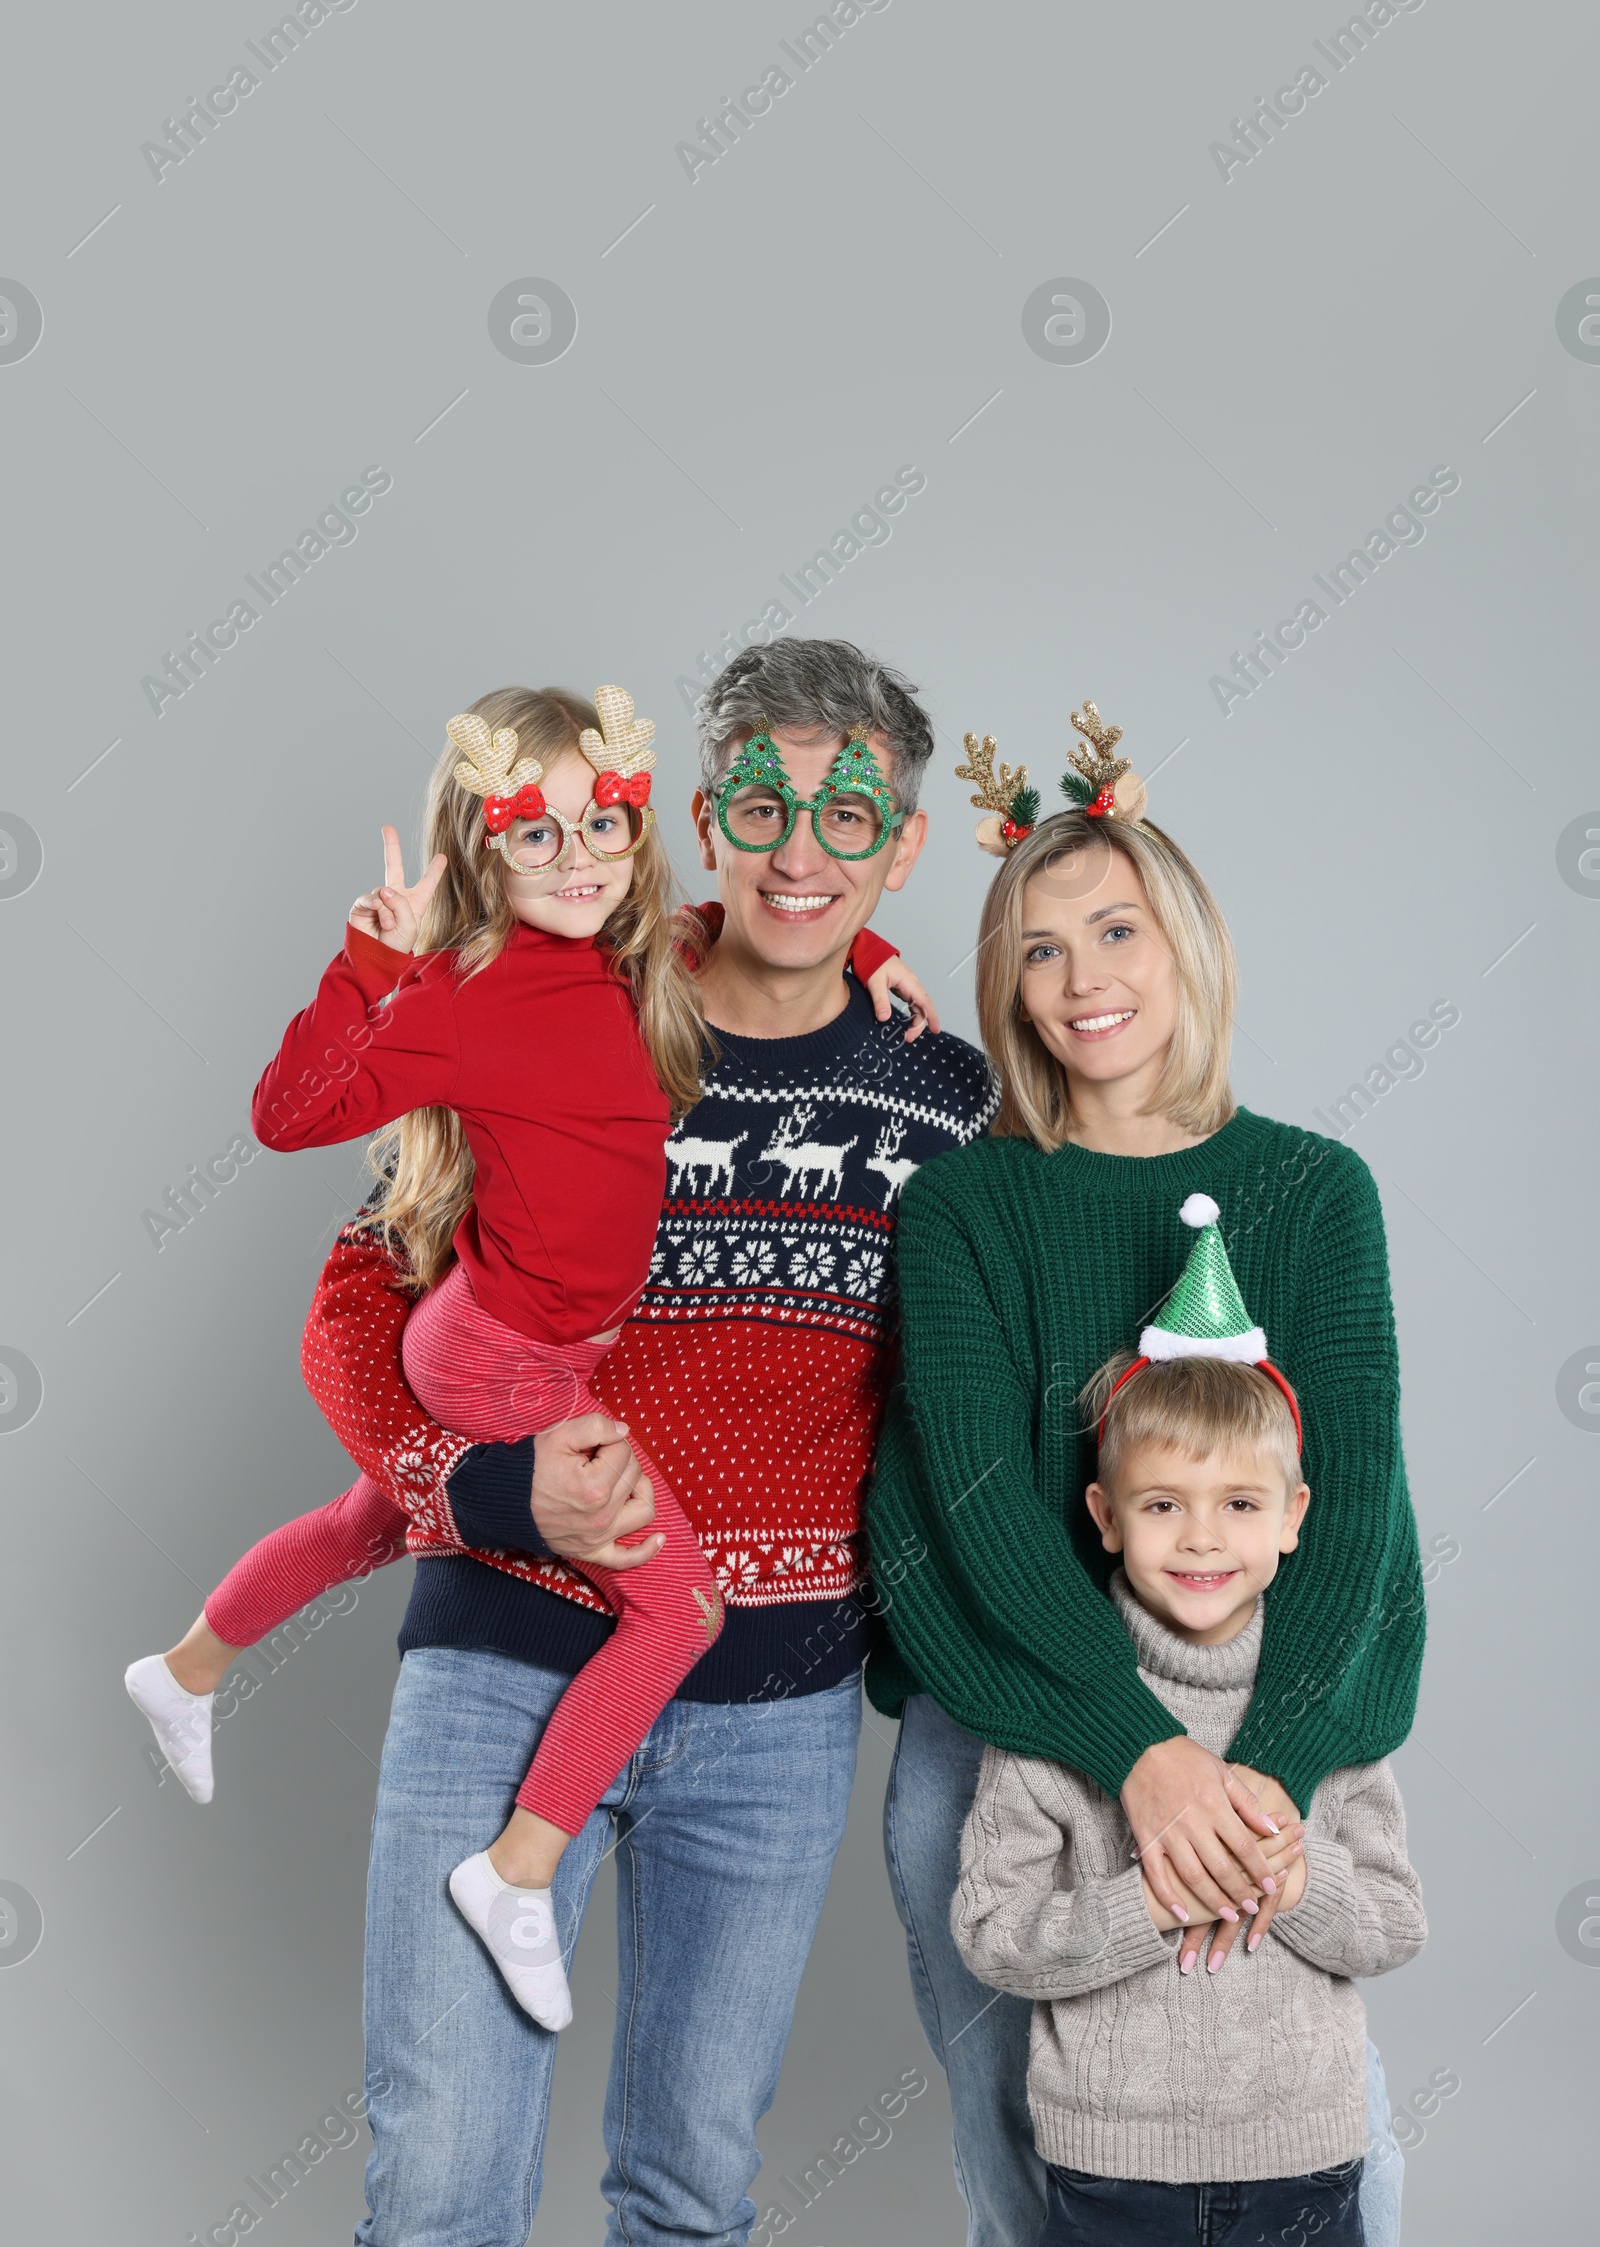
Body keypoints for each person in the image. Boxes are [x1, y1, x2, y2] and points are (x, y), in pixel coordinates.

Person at [220, 640, 996, 2245]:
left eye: (851, 820)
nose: (801, 850)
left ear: (904, 846)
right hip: (503, 1654)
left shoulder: (945, 1093)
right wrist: (488, 1488)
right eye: (763, 806)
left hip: (774, 1703)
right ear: (698, 816)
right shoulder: (580, 1000)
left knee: (693, 2189)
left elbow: (966, 1389)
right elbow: (352, 1317)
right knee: (438, 2180)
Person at [867, 706, 1424, 2246]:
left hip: (1271, 1724)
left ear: (1185, 942)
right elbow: (974, 1504)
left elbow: (1357, 1502)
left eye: (1114, 928)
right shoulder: (968, 1204)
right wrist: (1136, 1748)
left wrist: (1275, 1766)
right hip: (1007, 1735)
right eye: (1038, 949)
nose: (1082, 977)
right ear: (1007, 981)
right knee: (1021, 2151)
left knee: (1332, 2141)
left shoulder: (1315, 1192)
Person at [952, 1200, 1426, 2245]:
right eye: (1162, 1504)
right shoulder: (1057, 1718)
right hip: (1110, 2167)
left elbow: (1393, 1920)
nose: (1201, 1539)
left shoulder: (1319, 1710)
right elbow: (994, 1932)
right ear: (1104, 1517)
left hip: (1303, 2154)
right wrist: (1148, 1904)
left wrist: (1297, 1877)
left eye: (1240, 1507)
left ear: (1295, 1518)